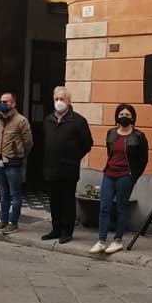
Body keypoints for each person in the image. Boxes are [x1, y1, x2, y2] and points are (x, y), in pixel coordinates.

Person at [90, 103, 149, 255]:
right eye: (121, 115)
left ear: (133, 118)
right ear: (116, 117)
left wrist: (133, 176)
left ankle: (118, 241)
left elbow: (143, 160)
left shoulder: (139, 136)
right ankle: (101, 241)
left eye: (127, 115)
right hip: (109, 174)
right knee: (104, 207)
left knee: (121, 208)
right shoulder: (111, 133)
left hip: (125, 176)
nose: (124, 117)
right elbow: (110, 152)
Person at [41, 86, 93, 244]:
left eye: (62, 99)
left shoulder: (78, 121)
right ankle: (55, 228)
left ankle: (66, 231)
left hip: (68, 169)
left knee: (67, 201)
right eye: (56, 99)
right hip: (51, 168)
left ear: (69, 101)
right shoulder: (48, 120)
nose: (58, 102)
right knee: (54, 200)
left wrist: (74, 157)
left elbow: (87, 143)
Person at [0, 91, 33, 234]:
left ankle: (13, 222)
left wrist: (19, 154)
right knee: (3, 194)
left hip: (13, 164)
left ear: (13, 104)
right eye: (1, 101)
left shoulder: (21, 120)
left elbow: (28, 142)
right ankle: (3, 220)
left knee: (15, 195)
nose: (3, 104)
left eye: (6, 102)